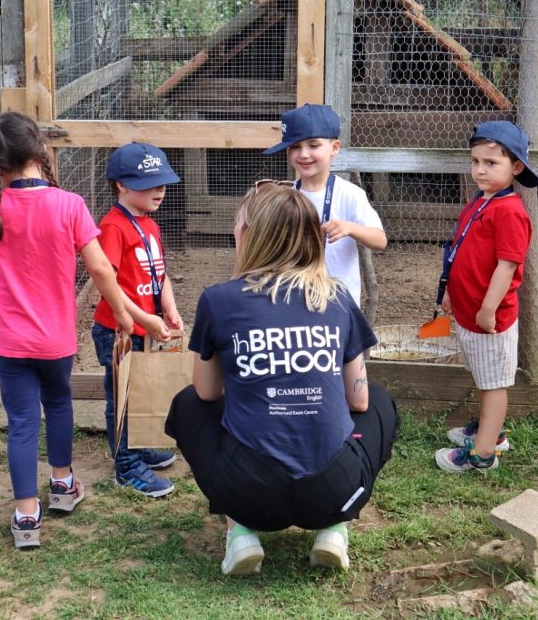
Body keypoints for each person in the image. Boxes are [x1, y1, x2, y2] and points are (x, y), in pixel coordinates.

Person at [165, 183, 399, 575]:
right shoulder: (338, 297)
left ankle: (239, 531)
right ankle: (334, 527)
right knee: (376, 401)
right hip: (333, 490)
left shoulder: (219, 299)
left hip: (248, 493)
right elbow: (357, 401)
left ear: (250, 236)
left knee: (188, 403)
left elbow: (207, 391)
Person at [0, 111, 133, 548]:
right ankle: (62, 484)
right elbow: (99, 267)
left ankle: (25, 515)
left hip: (9, 341)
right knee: (59, 404)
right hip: (55, 340)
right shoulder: (69, 205)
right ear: (38, 149)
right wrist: (125, 313)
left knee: (22, 422)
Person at [434, 121, 538, 474]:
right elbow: (462, 249)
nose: (480, 169)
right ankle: (490, 433)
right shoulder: (482, 201)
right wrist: (451, 291)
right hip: (470, 311)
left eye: (491, 163)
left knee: (494, 384)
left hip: (489, 318)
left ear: (516, 167)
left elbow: (508, 266)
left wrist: (488, 308)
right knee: (485, 378)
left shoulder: (510, 211)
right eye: (475, 161)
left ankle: (483, 455)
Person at [91, 143, 183, 498]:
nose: (159, 190)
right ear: (121, 185)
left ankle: (140, 447)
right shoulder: (113, 227)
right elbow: (107, 281)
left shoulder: (149, 224)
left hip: (145, 324)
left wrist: (168, 307)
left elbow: (161, 275)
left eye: (162, 183)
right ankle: (126, 466)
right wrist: (145, 316)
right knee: (124, 396)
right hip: (118, 330)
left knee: (142, 390)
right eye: (149, 184)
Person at [262, 104, 387, 305]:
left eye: (313, 145)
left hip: (337, 302)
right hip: (293, 299)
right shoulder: (286, 197)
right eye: (295, 146)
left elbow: (380, 241)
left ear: (334, 148)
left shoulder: (350, 194)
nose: (303, 154)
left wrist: (350, 228)